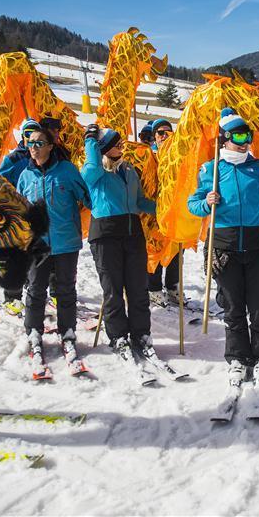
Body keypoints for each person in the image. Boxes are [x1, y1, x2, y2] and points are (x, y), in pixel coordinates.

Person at [187, 108, 259, 387]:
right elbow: (192, 205)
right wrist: (207, 202)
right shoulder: (211, 169)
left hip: (257, 246)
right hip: (224, 247)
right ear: (225, 138)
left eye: (248, 136)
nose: (245, 142)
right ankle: (238, 358)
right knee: (233, 307)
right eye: (239, 135)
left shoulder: (258, 167)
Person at [14, 128, 90, 374]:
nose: (33, 147)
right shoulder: (25, 176)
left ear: (50, 146)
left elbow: (88, 198)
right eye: (30, 142)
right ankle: (34, 333)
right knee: (36, 290)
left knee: (66, 290)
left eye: (39, 142)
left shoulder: (67, 171)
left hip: (66, 242)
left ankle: (67, 333)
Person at [82, 124, 157, 356]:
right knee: (112, 290)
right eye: (116, 144)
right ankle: (117, 336)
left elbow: (139, 201)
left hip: (132, 230)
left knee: (138, 288)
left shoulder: (129, 170)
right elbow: (92, 166)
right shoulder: (93, 172)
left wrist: (163, 209)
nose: (122, 146)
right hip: (105, 233)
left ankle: (141, 334)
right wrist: (90, 140)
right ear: (104, 148)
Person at [0, 118, 43, 315]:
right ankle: (12, 297)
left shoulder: (43, 157)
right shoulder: (13, 159)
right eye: (27, 135)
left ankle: (38, 290)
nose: (31, 140)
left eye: (35, 136)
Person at [146, 118, 181, 306]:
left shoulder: (177, 156)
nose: (164, 136)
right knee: (155, 250)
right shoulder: (149, 156)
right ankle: (153, 288)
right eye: (160, 133)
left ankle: (173, 286)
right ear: (154, 137)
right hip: (153, 213)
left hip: (173, 212)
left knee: (176, 250)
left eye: (168, 132)